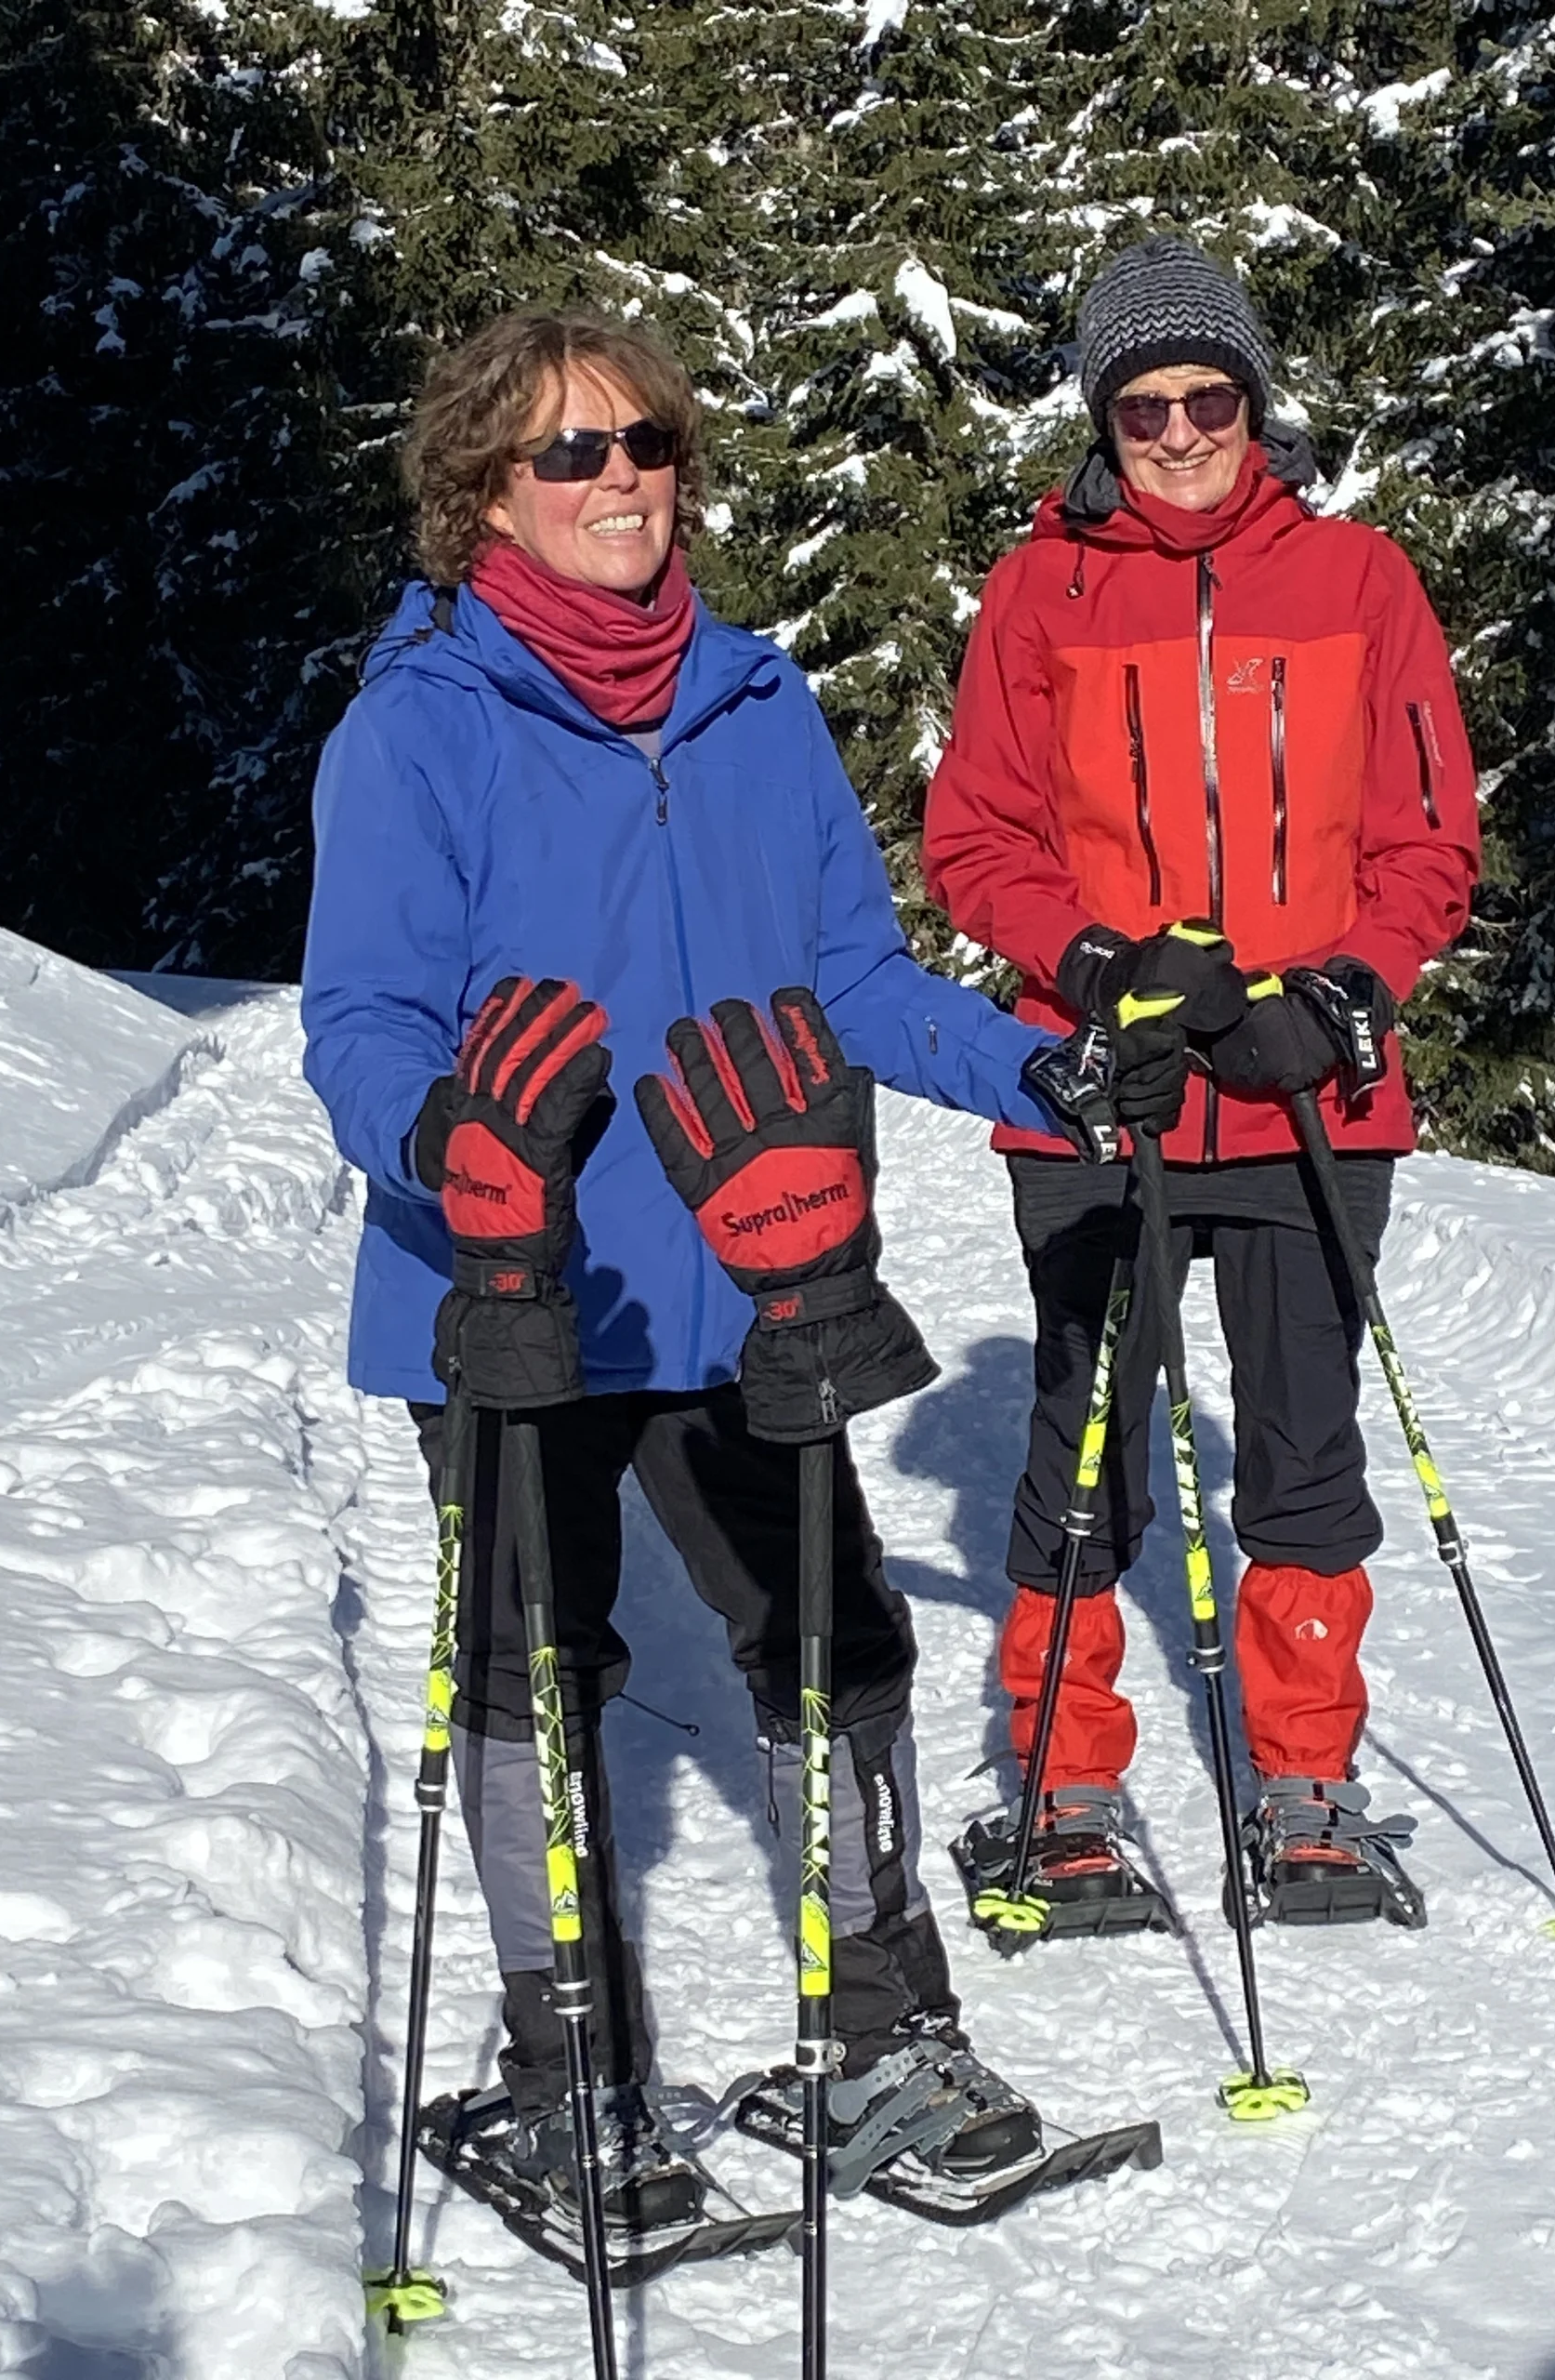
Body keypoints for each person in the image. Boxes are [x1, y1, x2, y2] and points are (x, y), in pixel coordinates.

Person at [300, 308, 1079, 2237]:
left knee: (838, 1647)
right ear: (484, 481)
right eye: (573, 452)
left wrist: (1045, 1065)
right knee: (537, 1674)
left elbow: (864, 981)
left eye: (647, 440)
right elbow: (365, 1021)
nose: (624, 480)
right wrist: (451, 1146)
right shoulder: (422, 722)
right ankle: (573, 2081)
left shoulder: (754, 703)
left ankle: (881, 2042)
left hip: (754, 1263)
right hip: (512, 1281)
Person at [923, 238, 1482, 1928]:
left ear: (1256, 402)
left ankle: (1308, 1782)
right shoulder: (1042, 593)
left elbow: (1429, 837)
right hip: (1109, 1088)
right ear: (1104, 418)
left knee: (1305, 1452)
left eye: (1207, 398)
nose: (1177, 433)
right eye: (1142, 403)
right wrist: (1092, 968)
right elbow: (978, 840)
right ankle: (1058, 1779)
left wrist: (1344, 987)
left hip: (1312, 1090)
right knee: (1085, 1449)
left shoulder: (1362, 582)